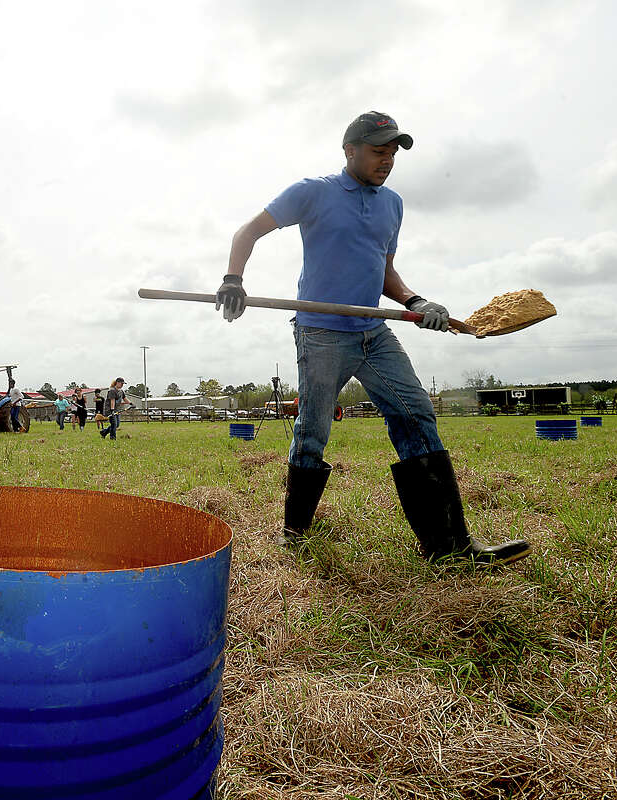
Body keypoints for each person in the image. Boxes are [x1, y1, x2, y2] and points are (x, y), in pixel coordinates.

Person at [217, 111, 529, 566]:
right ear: (350, 150)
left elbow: (383, 270)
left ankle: (450, 546)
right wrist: (232, 278)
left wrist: (416, 302)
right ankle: (295, 535)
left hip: (373, 332)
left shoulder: (392, 204)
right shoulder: (313, 192)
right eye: (378, 151)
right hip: (320, 331)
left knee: (416, 411)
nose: (387, 161)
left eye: (393, 153)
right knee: (313, 430)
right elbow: (249, 230)